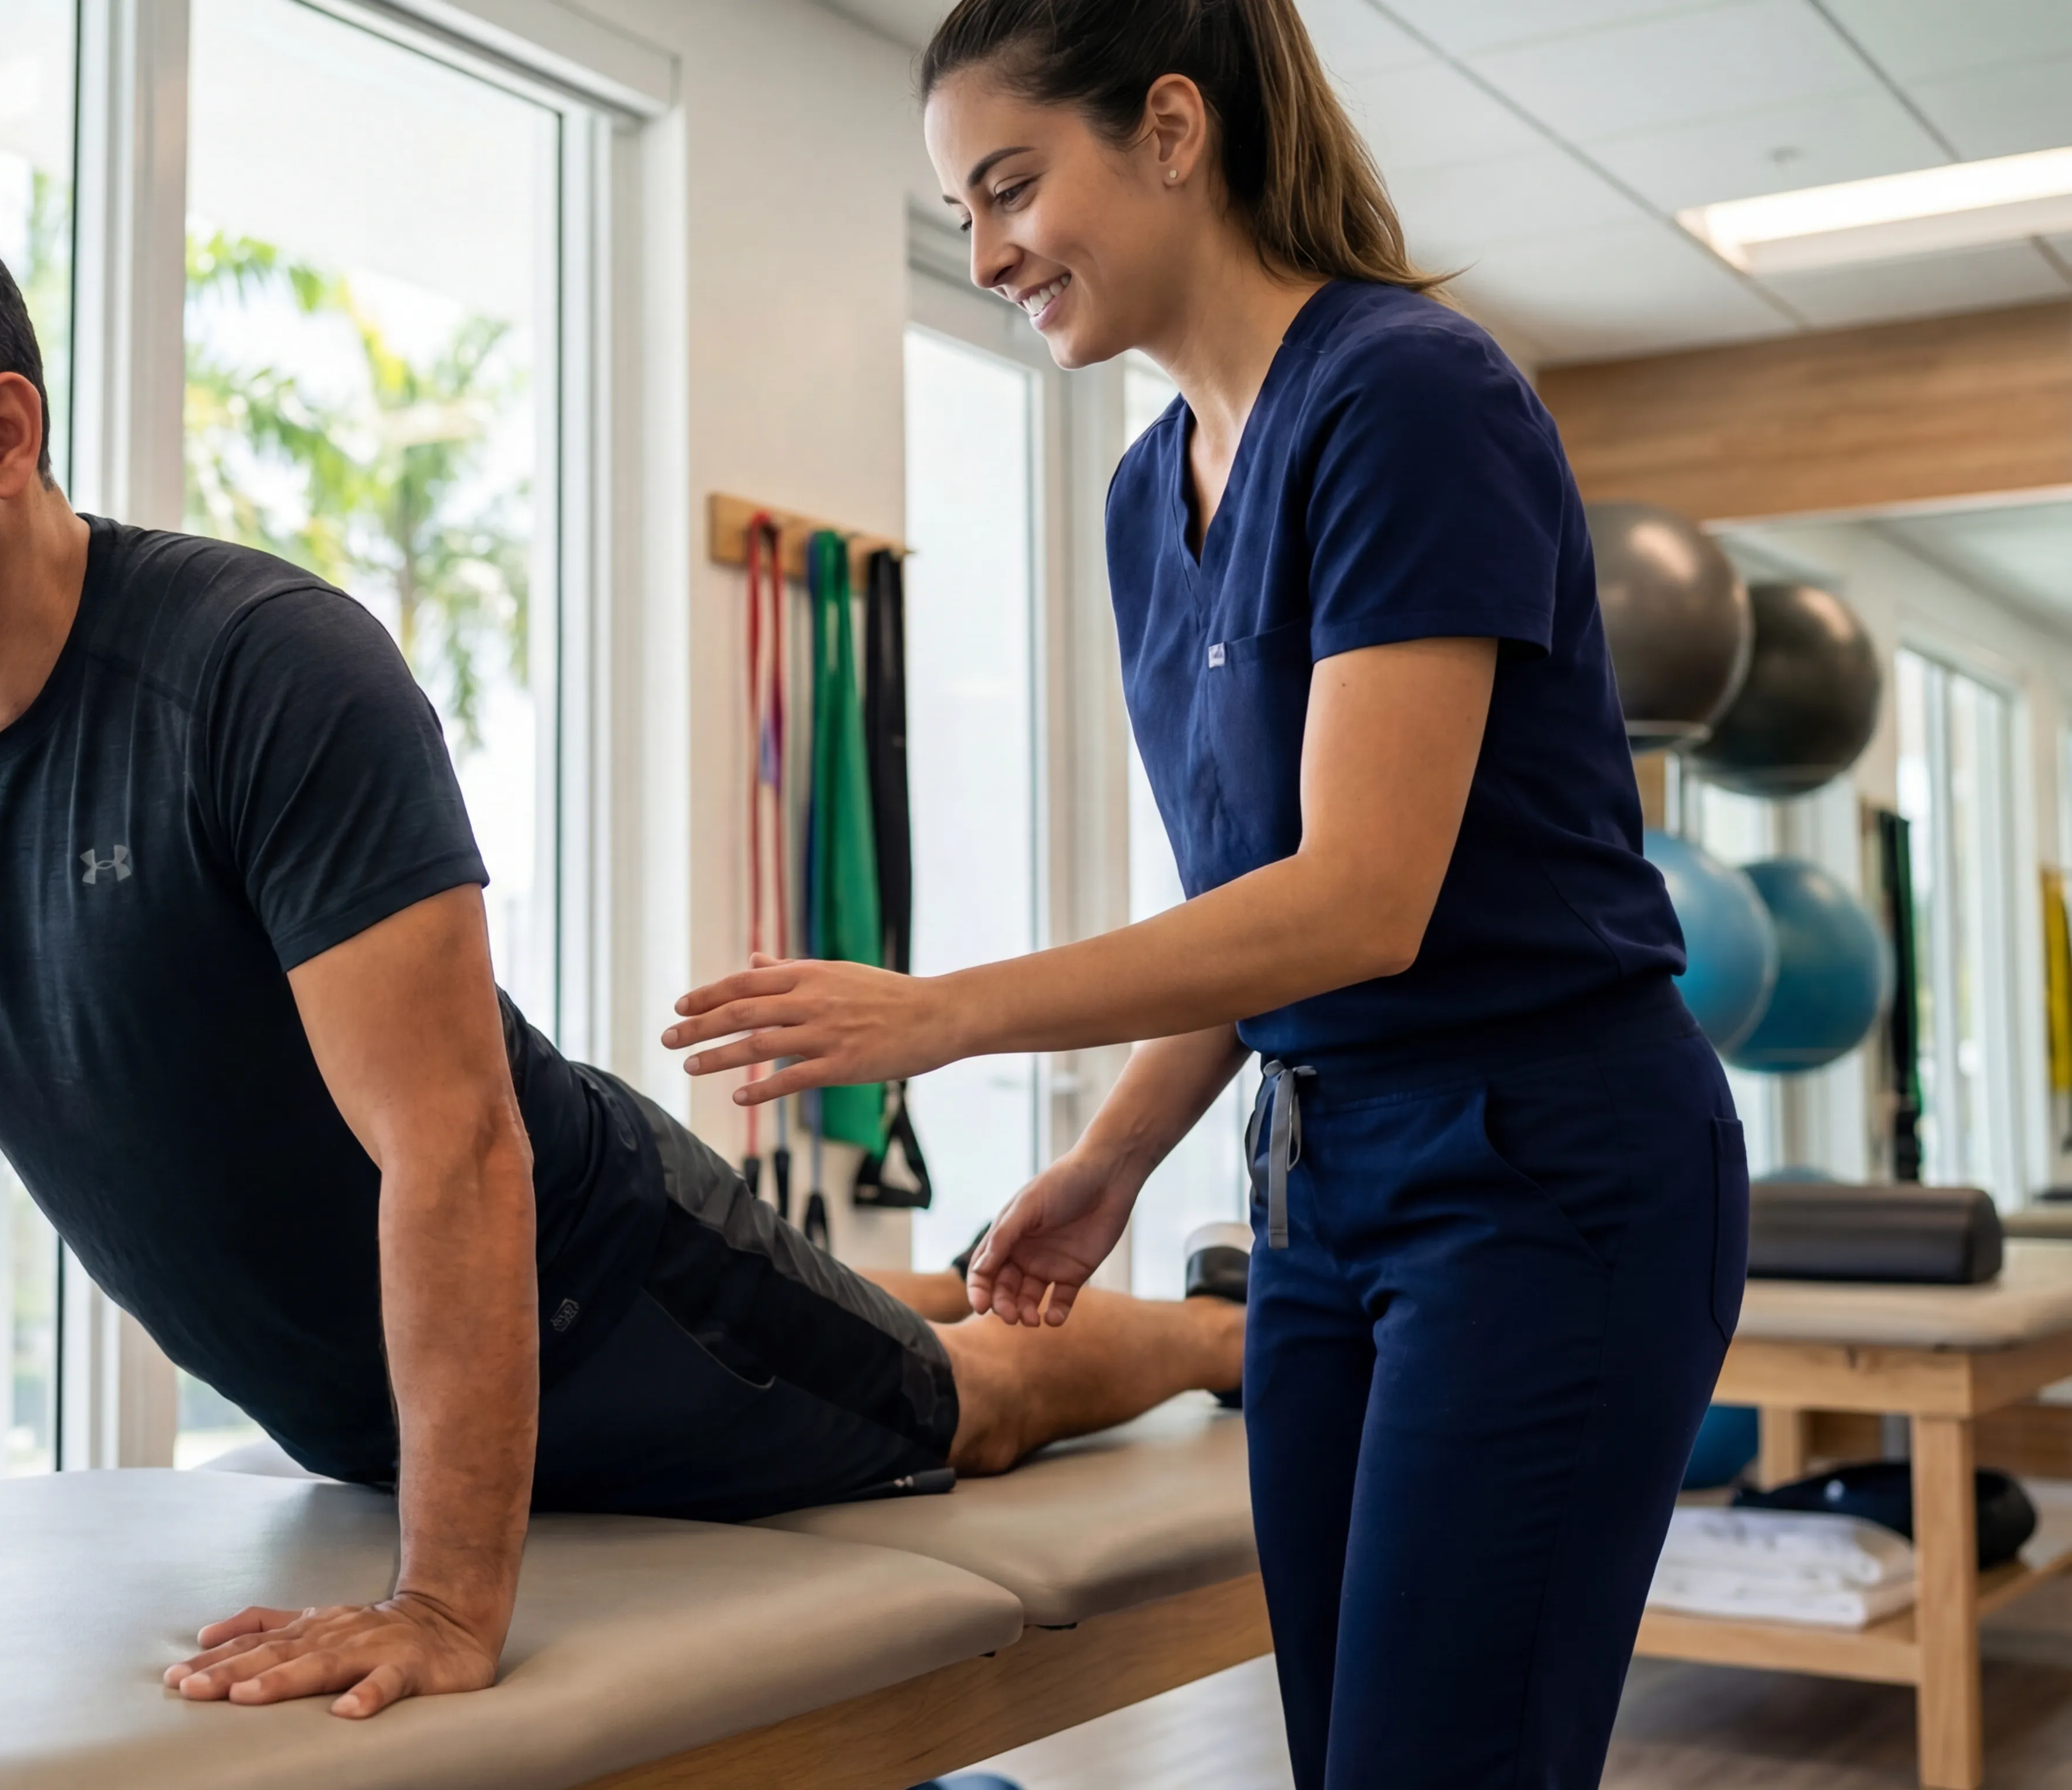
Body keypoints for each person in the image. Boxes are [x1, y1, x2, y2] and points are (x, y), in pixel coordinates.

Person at [0, 182, 1245, 1721]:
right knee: (860, 1308)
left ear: (0, 431)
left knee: (970, 1401)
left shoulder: (256, 672)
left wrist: (451, 1609)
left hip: (600, 1299)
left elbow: (450, 1143)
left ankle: (1227, 1333)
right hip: (361, 1384)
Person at [664, 2, 1746, 1785]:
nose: (992, 251)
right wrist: (1111, 1159)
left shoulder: (1409, 391)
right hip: (1320, 1187)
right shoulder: (1138, 497)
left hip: (1545, 1173)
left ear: (1174, 128)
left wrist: (938, 1015)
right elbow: (1248, 907)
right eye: (963, 216)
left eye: (1013, 187)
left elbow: (1359, 905)